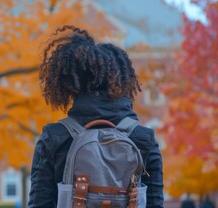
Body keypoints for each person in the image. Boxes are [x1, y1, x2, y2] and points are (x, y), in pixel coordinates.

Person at [28, 25, 164, 208]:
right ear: (123, 81)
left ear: (69, 83)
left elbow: (39, 203)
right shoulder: (144, 139)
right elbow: (155, 204)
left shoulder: (54, 137)